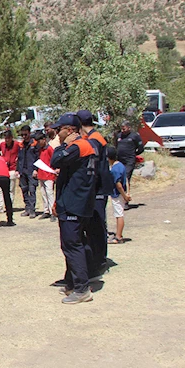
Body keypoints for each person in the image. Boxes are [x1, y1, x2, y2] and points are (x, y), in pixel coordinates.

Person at [50, 113, 97, 304]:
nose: (57, 133)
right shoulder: (85, 146)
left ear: (69, 130)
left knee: (72, 245)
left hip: (74, 203)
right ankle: (73, 282)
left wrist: (61, 146)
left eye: (59, 129)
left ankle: (82, 288)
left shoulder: (77, 146)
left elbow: (55, 160)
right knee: (78, 243)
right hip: (79, 202)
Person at [79, 110, 114, 278]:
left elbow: (96, 168)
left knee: (98, 225)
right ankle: (97, 258)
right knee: (95, 225)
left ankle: (100, 260)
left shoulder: (95, 140)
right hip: (98, 188)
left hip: (98, 189)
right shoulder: (95, 137)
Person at [114, 120, 144, 199]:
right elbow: (116, 146)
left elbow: (141, 148)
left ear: (129, 128)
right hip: (120, 160)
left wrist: (134, 154)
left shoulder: (135, 136)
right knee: (119, 178)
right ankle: (120, 196)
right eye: (121, 128)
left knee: (126, 177)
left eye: (124, 128)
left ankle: (126, 196)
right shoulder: (119, 136)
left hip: (129, 160)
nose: (122, 130)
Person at [107, 146, 131, 244]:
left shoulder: (114, 170)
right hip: (122, 193)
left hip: (117, 195)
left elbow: (118, 185)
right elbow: (126, 180)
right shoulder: (121, 165)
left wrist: (124, 195)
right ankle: (118, 235)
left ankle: (118, 236)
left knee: (119, 215)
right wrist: (128, 193)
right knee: (119, 213)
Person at [34, 132, 57, 222]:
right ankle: (46, 210)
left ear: (44, 140)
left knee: (49, 193)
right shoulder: (40, 150)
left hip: (49, 175)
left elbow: (54, 160)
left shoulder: (50, 149)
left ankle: (53, 212)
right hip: (41, 174)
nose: (38, 143)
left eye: (39, 141)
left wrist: (55, 171)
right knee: (43, 193)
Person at [17, 125, 39, 218]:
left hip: (31, 170)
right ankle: (27, 208)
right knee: (24, 189)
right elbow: (19, 158)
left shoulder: (35, 144)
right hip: (23, 170)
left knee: (32, 190)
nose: (24, 136)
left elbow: (38, 158)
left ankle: (32, 210)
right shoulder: (21, 145)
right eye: (22, 135)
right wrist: (18, 170)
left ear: (29, 133)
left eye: (25, 134)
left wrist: (36, 169)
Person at [0, 129, 19, 214]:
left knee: (11, 189)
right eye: (6, 138)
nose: (7, 140)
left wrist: (17, 160)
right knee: (0, 189)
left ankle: (9, 206)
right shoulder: (2, 144)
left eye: (8, 138)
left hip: (12, 168)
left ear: (12, 137)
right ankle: (0, 207)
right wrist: (0, 158)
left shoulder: (16, 144)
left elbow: (21, 151)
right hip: (3, 169)